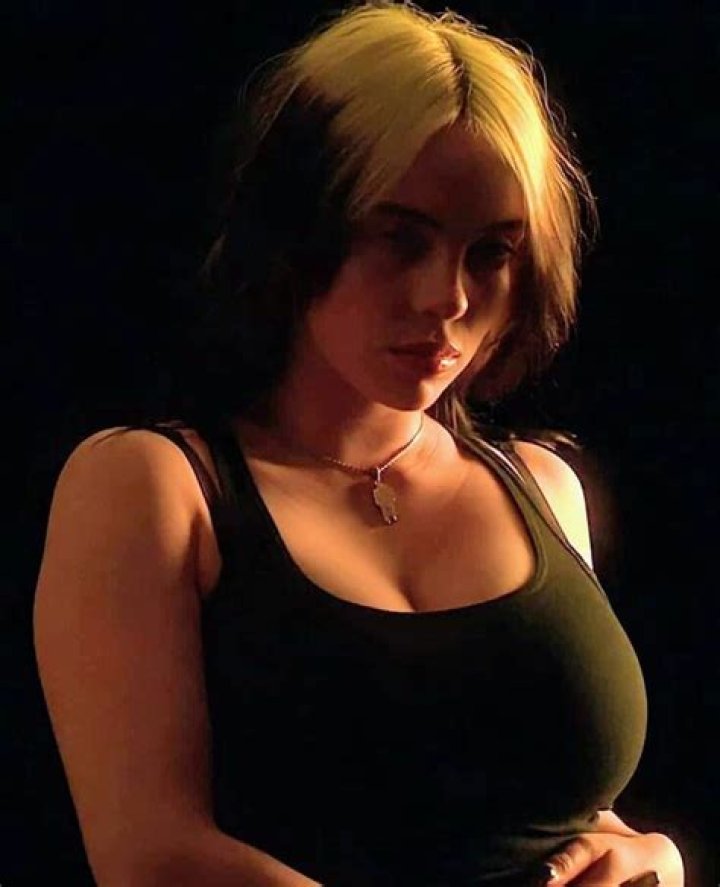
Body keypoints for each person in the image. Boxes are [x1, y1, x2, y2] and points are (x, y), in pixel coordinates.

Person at [33, 2, 685, 885]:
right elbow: (149, 852)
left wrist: (653, 857)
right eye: (400, 239)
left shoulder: (541, 484)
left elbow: (545, 810)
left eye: (490, 253)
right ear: (297, 225)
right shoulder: (156, 486)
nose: (447, 298)